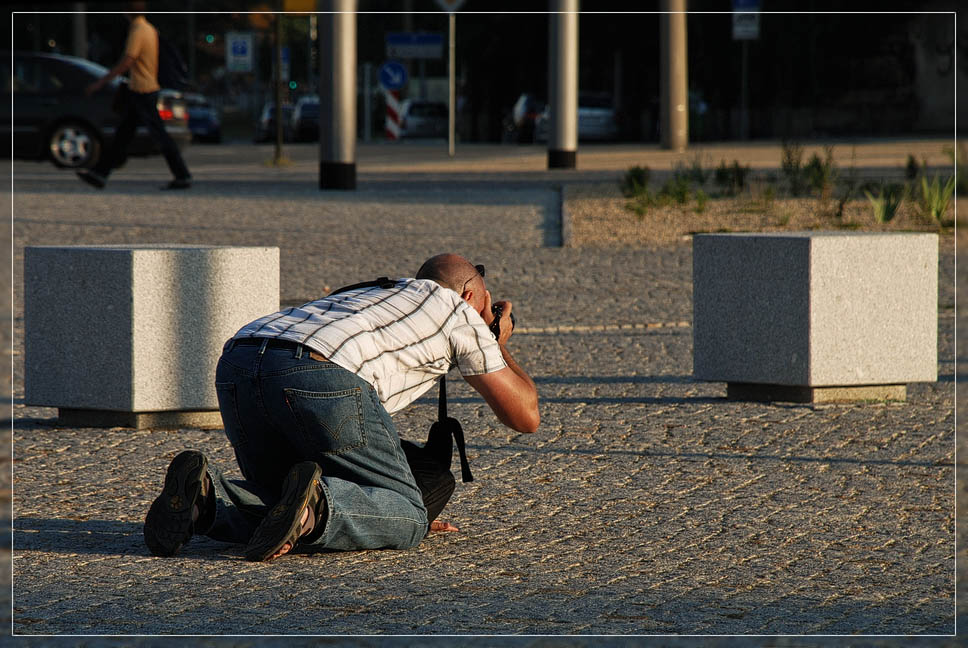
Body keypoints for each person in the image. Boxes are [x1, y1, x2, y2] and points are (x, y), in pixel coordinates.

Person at [143, 254, 539, 561]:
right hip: (320, 372)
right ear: (470, 294)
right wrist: (497, 339)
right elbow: (525, 417)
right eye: (487, 305)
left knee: (278, 497)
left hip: (239, 360)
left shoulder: (372, 291)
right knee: (410, 513)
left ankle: (204, 500)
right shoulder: (459, 312)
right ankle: (316, 507)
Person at [77, 3, 191, 190]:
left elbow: (128, 60)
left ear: (126, 11)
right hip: (142, 89)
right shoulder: (149, 28)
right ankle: (100, 174)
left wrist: (101, 82)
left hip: (142, 90)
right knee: (123, 135)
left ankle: (182, 175)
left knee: (160, 136)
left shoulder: (137, 30)